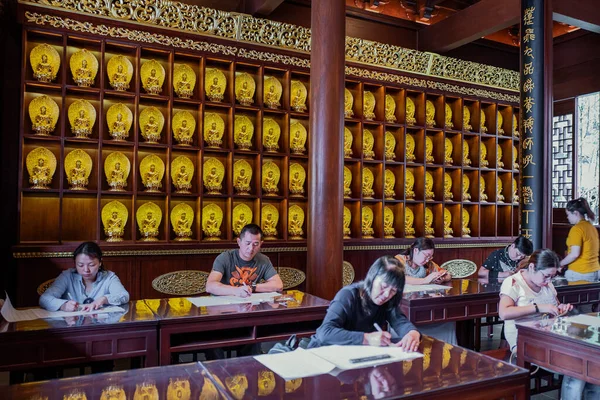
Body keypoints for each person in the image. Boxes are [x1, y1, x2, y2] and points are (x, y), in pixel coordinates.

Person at [307, 255, 420, 350]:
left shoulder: (388, 301)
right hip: (323, 354)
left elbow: (399, 321)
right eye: (383, 286)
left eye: (393, 291)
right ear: (372, 278)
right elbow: (325, 333)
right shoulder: (348, 295)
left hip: (352, 357)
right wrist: (366, 338)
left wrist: (412, 333)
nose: (386, 295)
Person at [395, 238, 456, 344]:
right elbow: (400, 278)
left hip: (421, 301)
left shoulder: (428, 264)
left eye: (430, 256)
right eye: (426, 255)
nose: (428, 259)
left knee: (447, 317)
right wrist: (425, 280)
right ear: (415, 251)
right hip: (403, 302)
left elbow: (448, 274)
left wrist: (442, 278)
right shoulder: (399, 260)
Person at [39, 242, 129, 311]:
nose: (86, 270)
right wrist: (63, 305)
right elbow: (44, 299)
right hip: (71, 327)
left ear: (100, 262)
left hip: (100, 327)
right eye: (80, 265)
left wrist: (104, 299)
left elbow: (124, 296)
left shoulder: (109, 277)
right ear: (75, 263)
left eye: (91, 265)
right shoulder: (67, 276)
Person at [206, 224, 283, 298]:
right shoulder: (225, 258)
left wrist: (252, 287)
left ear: (261, 244)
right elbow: (210, 286)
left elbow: (278, 285)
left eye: (255, 244)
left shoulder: (263, 260)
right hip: (224, 306)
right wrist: (236, 291)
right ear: (239, 242)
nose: (251, 248)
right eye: (248, 243)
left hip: (249, 303)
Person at [559, 197, 600, 282]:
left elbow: (574, 254)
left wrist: (559, 264)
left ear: (576, 213)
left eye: (568, 215)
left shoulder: (577, 229)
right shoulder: (591, 227)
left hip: (579, 272)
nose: (567, 218)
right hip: (595, 270)